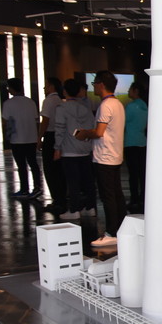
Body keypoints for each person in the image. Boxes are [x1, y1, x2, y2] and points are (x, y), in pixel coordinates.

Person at [75, 70, 126, 247]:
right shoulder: (117, 104)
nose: (93, 87)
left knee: (108, 196)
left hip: (104, 156)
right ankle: (120, 229)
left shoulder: (106, 105)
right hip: (115, 154)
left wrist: (84, 134)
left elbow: (99, 132)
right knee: (116, 194)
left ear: (101, 85)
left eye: (94, 83)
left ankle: (112, 232)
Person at [54, 78, 97, 220]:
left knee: (73, 182)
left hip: (69, 150)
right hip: (85, 149)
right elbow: (92, 128)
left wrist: (57, 148)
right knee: (88, 180)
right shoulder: (85, 108)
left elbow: (60, 129)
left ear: (64, 91)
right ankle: (90, 207)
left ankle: (74, 209)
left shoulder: (61, 108)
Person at [2, 78, 42, 199]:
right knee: (33, 163)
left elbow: (5, 121)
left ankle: (24, 189)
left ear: (11, 88)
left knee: (21, 165)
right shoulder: (31, 102)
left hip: (17, 139)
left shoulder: (8, 103)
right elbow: (36, 120)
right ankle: (37, 187)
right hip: (31, 138)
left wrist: (7, 135)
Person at [37, 76, 67, 212]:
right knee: (59, 169)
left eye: (46, 85)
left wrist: (39, 138)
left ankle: (57, 200)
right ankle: (61, 198)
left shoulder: (48, 100)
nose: (44, 88)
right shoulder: (60, 100)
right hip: (60, 135)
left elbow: (45, 121)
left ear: (52, 86)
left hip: (50, 136)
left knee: (50, 169)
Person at [124, 81, 148, 213]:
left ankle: (134, 200)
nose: (128, 91)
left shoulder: (131, 106)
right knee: (142, 173)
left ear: (136, 91)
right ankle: (143, 198)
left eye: (130, 89)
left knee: (133, 174)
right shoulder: (145, 106)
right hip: (142, 142)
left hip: (130, 142)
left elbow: (123, 123)